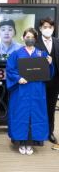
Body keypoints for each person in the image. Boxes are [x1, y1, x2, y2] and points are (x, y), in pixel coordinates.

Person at [6, 28, 54, 155]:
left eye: (32, 37)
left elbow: (48, 74)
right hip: (21, 90)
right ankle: (21, 144)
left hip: (37, 91)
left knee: (36, 116)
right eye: (27, 36)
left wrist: (50, 63)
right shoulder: (16, 53)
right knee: (20, 115)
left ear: (36, 39)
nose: (29, 39)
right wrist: (18, 79)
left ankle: (31, 144)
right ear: (23, 38)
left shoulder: (42, 54)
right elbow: (10, 70)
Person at [35, 17, 59, 145]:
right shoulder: (35, 43)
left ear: (53, 29)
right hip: (40, 81)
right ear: (40, 29)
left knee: (51, 107)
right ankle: (38, 132)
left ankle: (50, 132)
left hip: (55, 81)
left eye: (50, 27)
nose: (47, 29)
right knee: (39, 107)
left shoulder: (58, 41)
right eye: (45, 27)